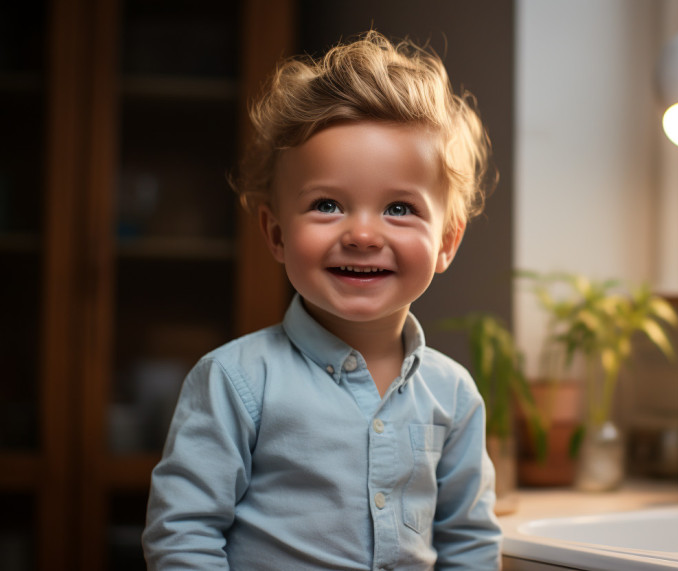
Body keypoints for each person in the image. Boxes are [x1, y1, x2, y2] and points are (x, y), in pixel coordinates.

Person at [142, 31, 501, 570]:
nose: (362, 235)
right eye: (328, 204)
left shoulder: (455, 395)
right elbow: (182, 535)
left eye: (399, 209)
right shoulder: (235, 382)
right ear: (276, 233)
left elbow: (468, 542)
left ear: (447, 241)